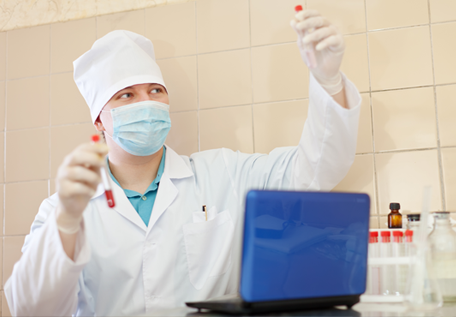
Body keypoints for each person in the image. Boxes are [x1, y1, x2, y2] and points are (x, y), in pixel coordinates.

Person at [5, 9, 362, 316]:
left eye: (155, 91)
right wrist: (66, 224)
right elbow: (31, 310)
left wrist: (327, 80)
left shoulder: (223, 173)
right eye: (126, 95)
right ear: (99, 120)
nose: (147, 102)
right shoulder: (63, 210)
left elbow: (313, 171)